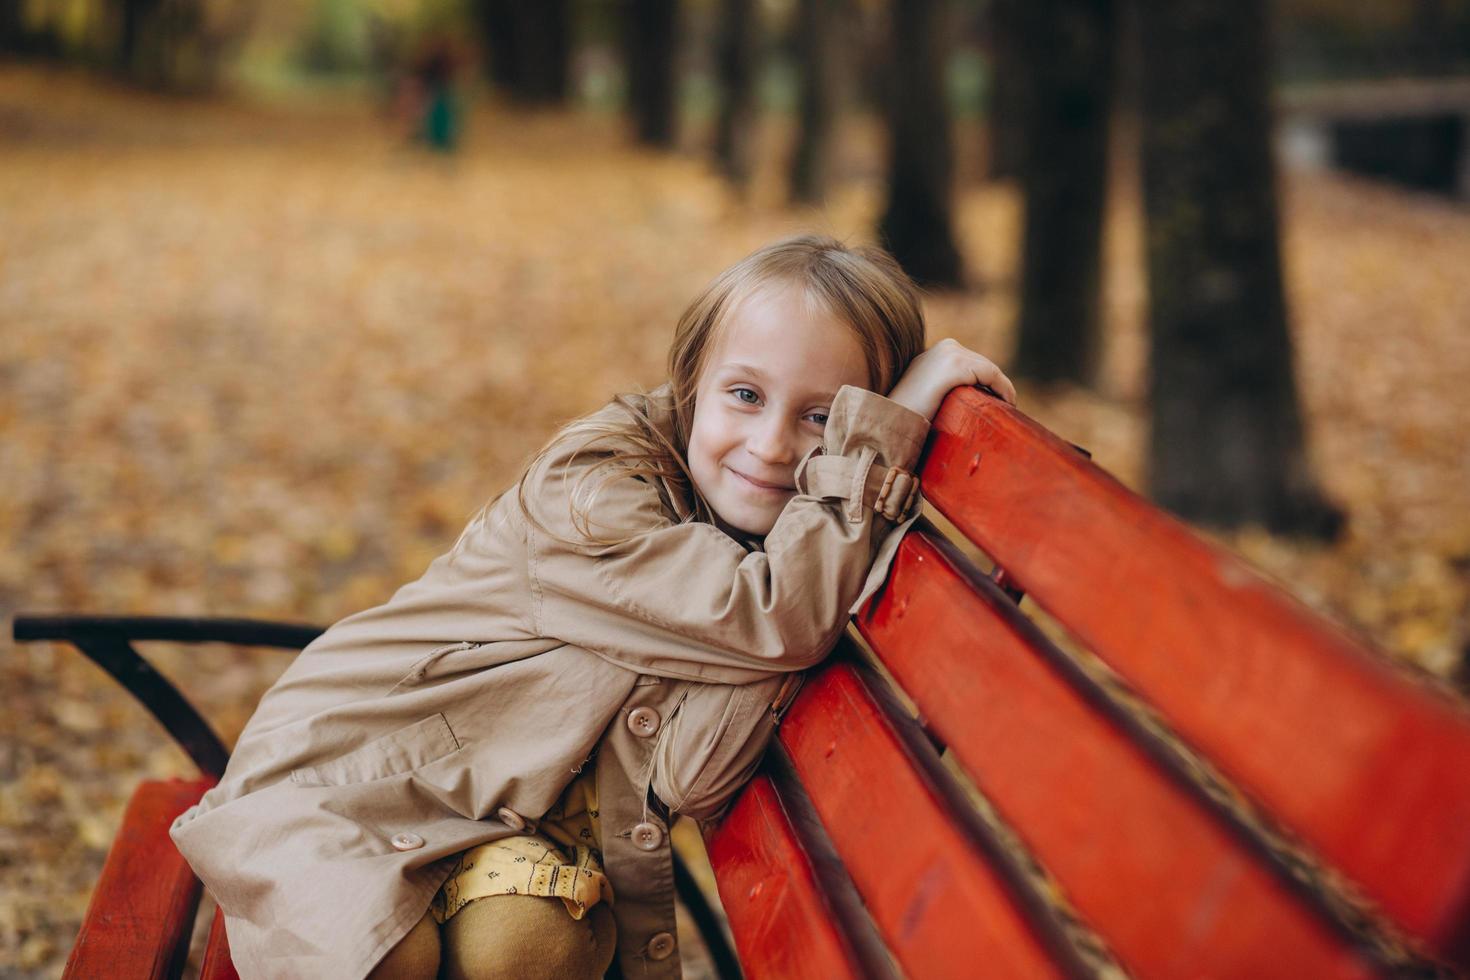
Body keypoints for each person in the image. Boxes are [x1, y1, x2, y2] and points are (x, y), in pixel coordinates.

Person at [168, 234, 1016, 980]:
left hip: (486, 823)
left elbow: (693, 770)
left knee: (537, 945)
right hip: (341, 784)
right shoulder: (595, 499)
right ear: (689, 383)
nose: (769, 446)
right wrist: (884, 430)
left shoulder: (786, 548)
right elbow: (777, 623)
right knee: (382, 956)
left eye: (822, 418)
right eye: (745, 396)